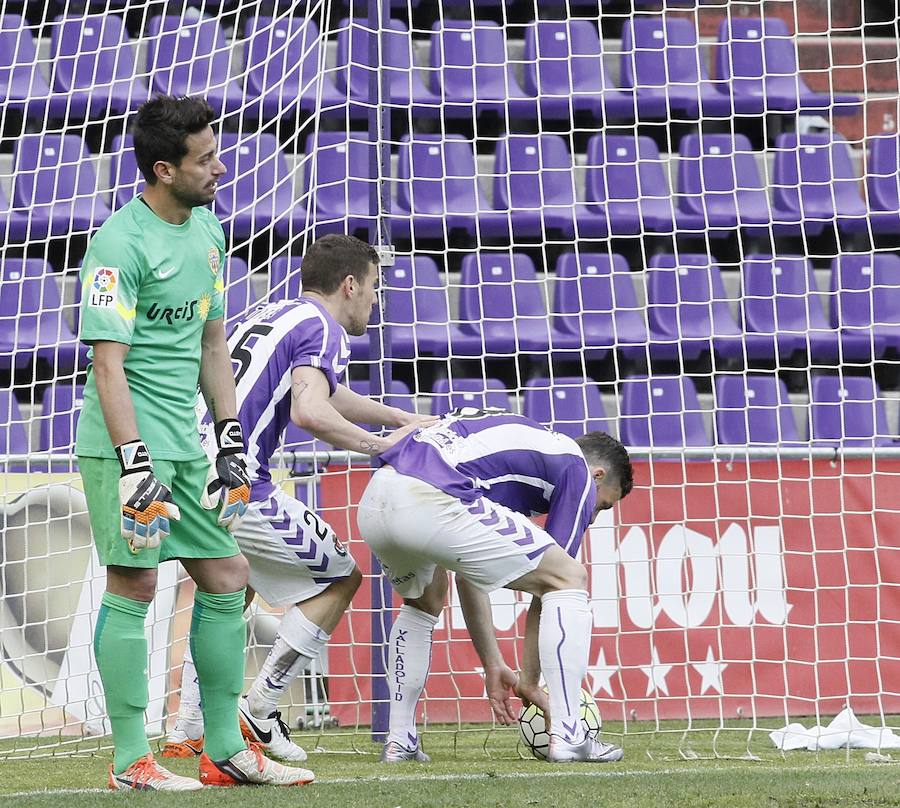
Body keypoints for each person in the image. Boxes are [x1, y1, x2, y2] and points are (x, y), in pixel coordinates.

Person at [75, 94, 314, 790]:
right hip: (126, 449)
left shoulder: (207, 230)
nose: (220, 167)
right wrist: (133, 464)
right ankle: (130, 763)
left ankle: (222, 751)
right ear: (162, 169)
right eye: (204, 159)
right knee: (138, 582)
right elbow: (107, 365)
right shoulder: (117, 245)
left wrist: (230, 438)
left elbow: (212, 339)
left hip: (185, 443)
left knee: (227, 576)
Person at [162, 234, 435, 762]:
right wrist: (380, 446)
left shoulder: (276, 313)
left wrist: (399, 417)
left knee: (227, 593)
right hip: (238, 479)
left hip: (188, 465)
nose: (375, 302)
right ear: (349, 285)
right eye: (374, 288)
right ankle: (259, 708)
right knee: (341, 576)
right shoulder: (325, 328)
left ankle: (189, 728)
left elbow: (322, 391)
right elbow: (311, 410)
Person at [356, 408, 634, 763]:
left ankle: (400, 741)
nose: (593, 516)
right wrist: (530, 683)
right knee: (570, 577)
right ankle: (569, 734)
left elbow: (468, 574)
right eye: (604, 505)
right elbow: (553, 587)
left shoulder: (506, 450)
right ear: (598, 475)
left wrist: (493, 663)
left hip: (377, 498)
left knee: (425, 602)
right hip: (431, 497)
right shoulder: (576, 468)